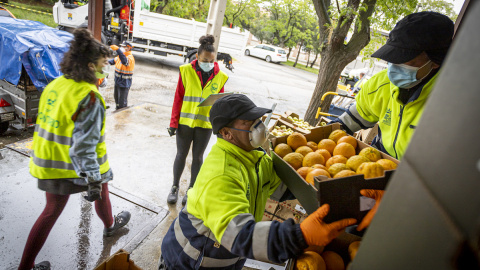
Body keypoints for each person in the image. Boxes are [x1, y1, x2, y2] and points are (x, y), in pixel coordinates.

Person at [158, 94, 357, 269]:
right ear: (227, 133)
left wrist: (331, 197)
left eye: (258, 119)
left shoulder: (256, 158)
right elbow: (240, 236)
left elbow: (281, 189)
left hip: (224, 257)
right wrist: (300, 235)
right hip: (190, 259)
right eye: (248, 122)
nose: (259, 125)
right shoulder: (220, 175)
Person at [18, 29, 131, 270]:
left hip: (47, 160)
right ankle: (110, 226)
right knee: (100, 189)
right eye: (103, 63)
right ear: (91, 66)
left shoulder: (56, 84)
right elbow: (84, 146)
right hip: (72, 166)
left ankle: (25, 266)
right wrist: (92, 179)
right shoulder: (89, 97)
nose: (106, 67)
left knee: (50, 212)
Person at [331, 12, 454, 160]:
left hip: (419, 176)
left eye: (404, 59)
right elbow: (347, 122)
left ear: (435, 61)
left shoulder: (453, 102)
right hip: (379, 163)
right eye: (392, 57)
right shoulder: (380, 84)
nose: (393, 66)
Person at [166, 34, 228, 205]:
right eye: (205, 60)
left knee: (198, 158)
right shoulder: (186, 71)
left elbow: (219, 103)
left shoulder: (220, 76)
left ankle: (191, 189)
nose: (209, 63)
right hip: (185, 123)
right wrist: (173, 123)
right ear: (198, 57)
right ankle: (174, 187)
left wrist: (220, 126)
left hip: (205, 125)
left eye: (212, 60)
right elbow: (178, 98)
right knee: (181, 155)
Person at [109, 41, 135, 110]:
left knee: (122, 102)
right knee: (116, 99)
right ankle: (117, 110)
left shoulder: (130, 58)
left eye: (123, 47)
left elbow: (124, 61)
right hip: (117, 82)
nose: (122, 48)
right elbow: (112, 61)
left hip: (124, 83)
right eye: (121, 47)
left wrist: (118, 50)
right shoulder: (120, 56)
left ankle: (122, 116)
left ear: (128, 48)